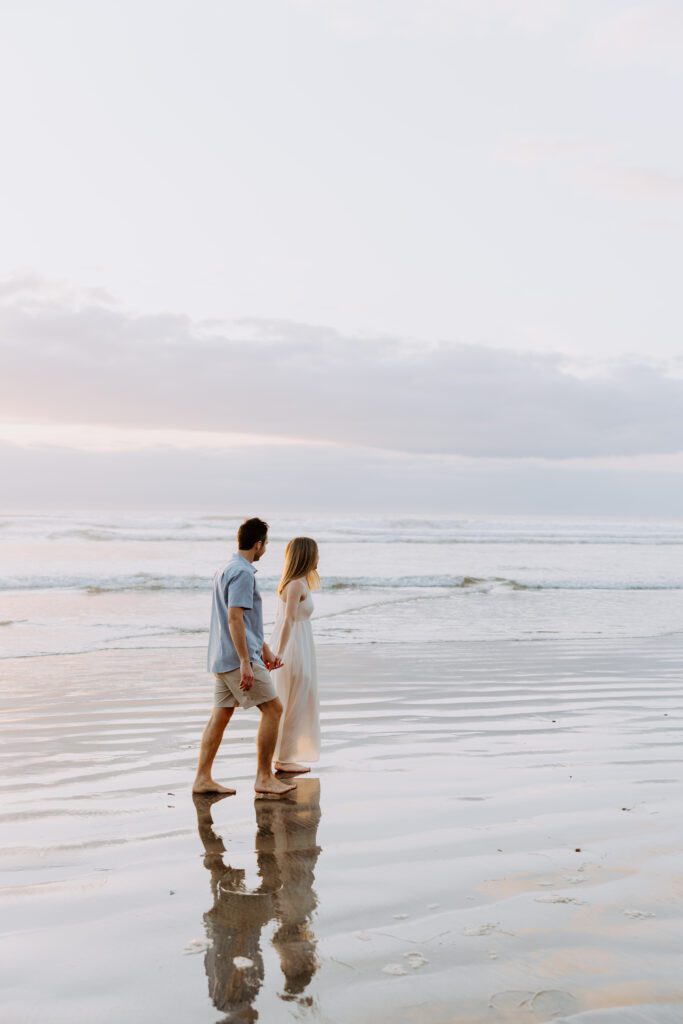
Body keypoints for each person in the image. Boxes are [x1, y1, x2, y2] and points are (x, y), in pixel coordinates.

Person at [193, 517, 296, 796]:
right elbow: (235, 618)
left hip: (222, 656)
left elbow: (247, 623)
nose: (265, 550)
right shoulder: (243, 573)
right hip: (237, 659)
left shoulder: (225, 569)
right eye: (266, 545)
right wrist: (246, 661)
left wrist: (266, 651)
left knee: (221, 714)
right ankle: (264, 777)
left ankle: (202, 779)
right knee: (273, 710)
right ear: (258, 544)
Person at [271, 537, 321, 774]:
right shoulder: (295, 585)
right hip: (293, 647)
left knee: (299, 697)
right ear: (306, 556)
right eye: (316, 553)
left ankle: (286, 755)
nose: (319, 558)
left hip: (300, 644)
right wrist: (279, 652)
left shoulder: (299, 583)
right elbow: (289, 619)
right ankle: (284, 758)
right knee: (295, 699)